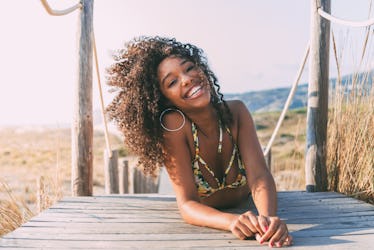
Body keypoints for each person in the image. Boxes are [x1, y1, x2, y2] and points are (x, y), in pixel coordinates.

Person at [106, 36, 293, 247]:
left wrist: (267, 221)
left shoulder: (237, 112)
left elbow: (259, 176)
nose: (186, 79)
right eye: (172, 82)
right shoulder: (174, 127)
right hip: (215, 219)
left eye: (189, 68)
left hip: (250, 207)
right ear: (164, 98)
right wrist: (232, 221)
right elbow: (187, 204)